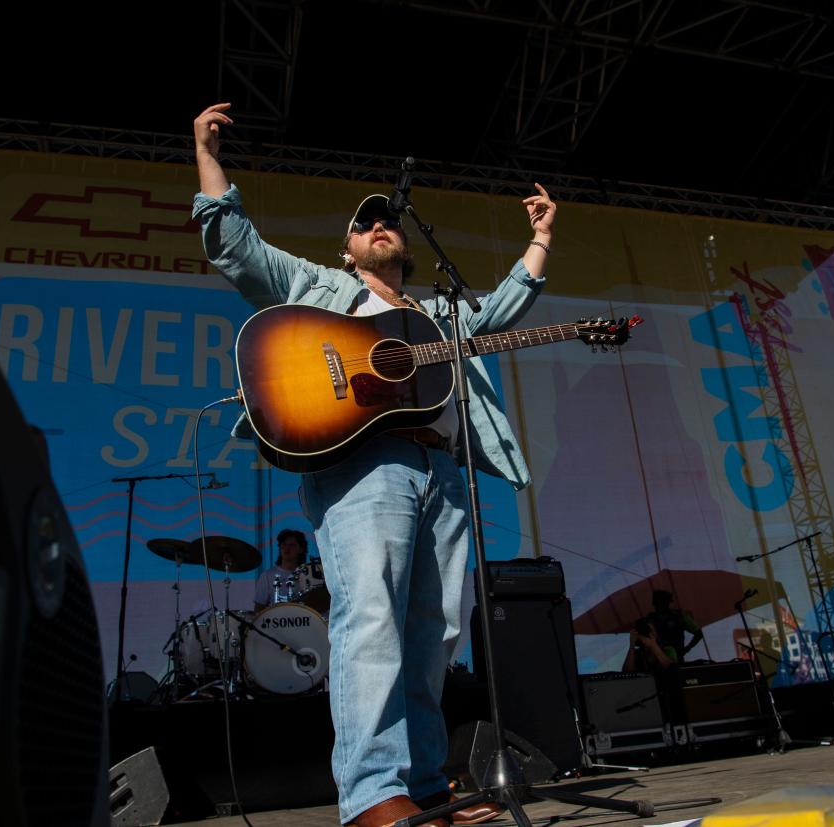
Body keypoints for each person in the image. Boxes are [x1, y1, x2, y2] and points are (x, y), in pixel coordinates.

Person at [192, 102, 555, 827]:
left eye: (384, 220)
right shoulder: (327, 292)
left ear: (405, 249)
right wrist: (206, 156)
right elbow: (236, 247)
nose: (377, 224)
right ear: (348, 251)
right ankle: (368, 796)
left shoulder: (438, 317)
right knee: (372, 623)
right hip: (365, 466)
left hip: (442, 474)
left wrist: (539, 240)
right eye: (362, 223)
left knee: (433, 635)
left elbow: (498, 315)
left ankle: (422, 790)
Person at [253, 528, 308, 611]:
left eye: (291, 545)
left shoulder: (307, 574)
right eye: (284, 544)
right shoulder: (267, 576)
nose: (287, 548)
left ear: (300, 549)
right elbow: (258, 608)